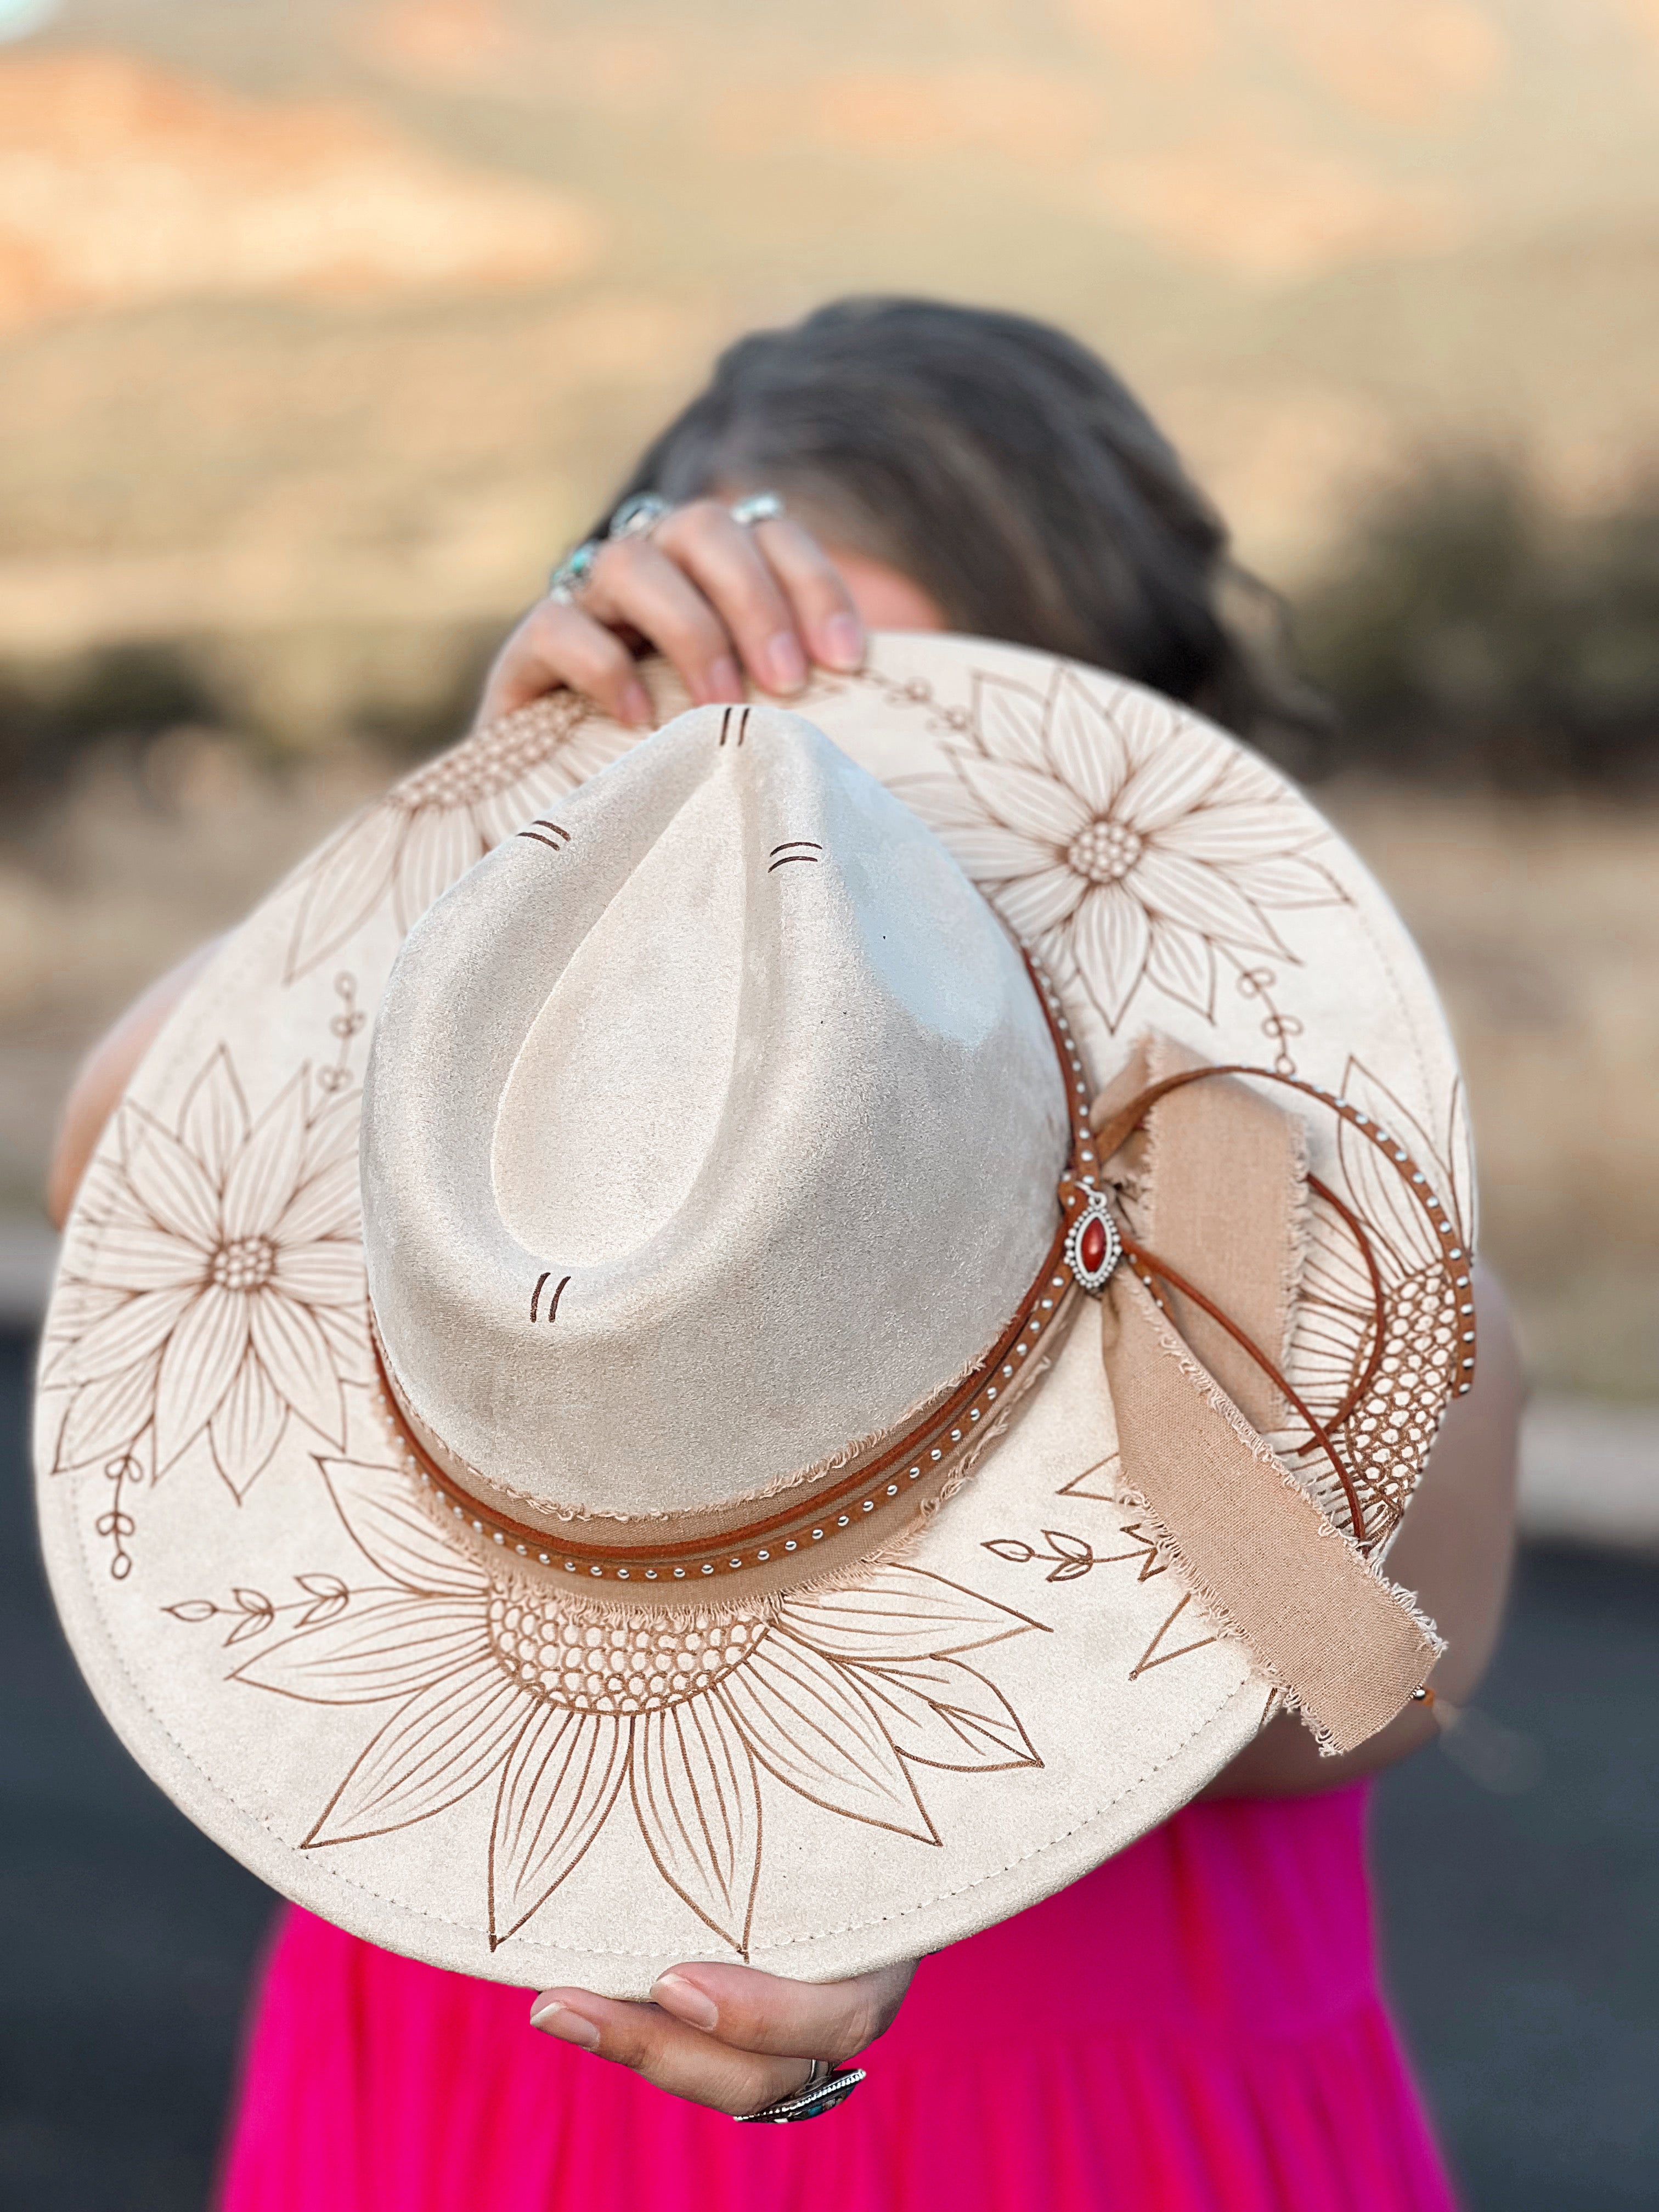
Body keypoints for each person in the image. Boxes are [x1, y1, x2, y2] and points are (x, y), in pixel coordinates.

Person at [49, 298, 1521, 2211]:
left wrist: (897, 1819)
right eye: (729, 720)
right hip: (450, 2118)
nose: (802, 831)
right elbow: (121, 1156)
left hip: (1101, 2134)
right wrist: (485, 839)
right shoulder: (528, 1143)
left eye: (925, 722)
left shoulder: (1310, 1205)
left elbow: (1382, 1674)